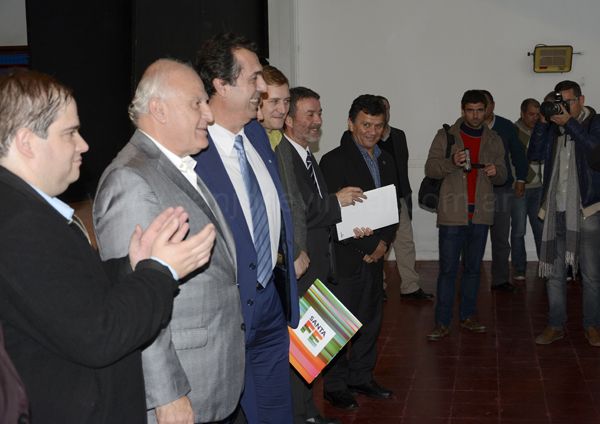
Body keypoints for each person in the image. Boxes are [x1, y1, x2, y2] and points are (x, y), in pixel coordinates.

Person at [0, 69, 215, 423]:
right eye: (70, 133)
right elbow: (99, 335)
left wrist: (131, 265)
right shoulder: (20, 224)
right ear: (27, 142)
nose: (83, 145)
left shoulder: (25, 211)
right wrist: (161, 272)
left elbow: (68, 295)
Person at [93, 59, 245, 424]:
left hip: (210, 375)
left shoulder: (177, 166)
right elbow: (135, 303)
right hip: (182, 389)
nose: (209, 114)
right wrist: (167, 394)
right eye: (197, 103)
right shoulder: (130, 180)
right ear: (158, 110)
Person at [193, 33, 299, 423]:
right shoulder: (194, 151)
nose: (262, 88)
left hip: (270, 301)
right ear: (221, 85)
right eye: (253, 78)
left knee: (275, 411)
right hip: (226, 314)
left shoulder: (255, 134)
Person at [277, 86, 365, 424]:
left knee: (309, 350)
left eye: (320, 113)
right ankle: (300, 415)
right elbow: (298, 211)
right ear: (288, 120)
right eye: (309, 114)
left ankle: (308, 411)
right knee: (299, 349)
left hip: (318, 265)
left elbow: (318, 211)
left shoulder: (306, 156)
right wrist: (335, 201)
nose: (317, 121)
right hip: (302, 266)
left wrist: (351, 224)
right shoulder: (284, 156)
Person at [320, 94, 397, 410]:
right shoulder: (333, 161)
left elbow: (393, 206)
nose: (372, 132)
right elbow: (332, 214)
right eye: (366, 124)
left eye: (378, 126)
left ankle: (361, 377)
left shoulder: (386, 158)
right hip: (346, 256)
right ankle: (335, 386)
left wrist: (384, 244)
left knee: (370, 321)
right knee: (339, 324)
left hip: (376, 256)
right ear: (351, 124)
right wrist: (369, 246)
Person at [425, 89, 506, 341]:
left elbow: (504, 174)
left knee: (473, 269)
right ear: (463, 110)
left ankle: (468, 316)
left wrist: (496, 172)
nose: (475, 115)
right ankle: (442, 322)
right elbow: (431, 168)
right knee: (448, 270)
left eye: (480, 110)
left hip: (481, 213)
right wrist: (452, 162)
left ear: (486, 110)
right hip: (452, 213)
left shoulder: (494, 139)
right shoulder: (446, 135)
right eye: (470, 110)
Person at [528, 80, 600, 347]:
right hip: (555, 208)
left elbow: (596, 154)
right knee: (554, 273)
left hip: (587, 209)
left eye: (568, 102)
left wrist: (570, 123)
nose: (563, 107)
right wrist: (542, 123)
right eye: (560, 103)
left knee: (591, 275)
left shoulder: (595, 123)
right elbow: (534, 154)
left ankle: (592, 325)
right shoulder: (553, 129)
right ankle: (555, 324)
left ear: (581, 100)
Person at [377, 95, 433, 300]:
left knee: (405, 243)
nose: (384, 112)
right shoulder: (363, 135)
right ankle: (378, 286)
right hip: (375, 200)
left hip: (399, 198)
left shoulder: (399, 135)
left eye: (386, 108)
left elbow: (402, 169)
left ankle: (410, 287)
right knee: (379, 245)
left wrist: (406, 197)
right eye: (380, 108)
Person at [258, 65, 309, 280]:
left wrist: (298, 249)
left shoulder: (280, 140)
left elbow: (293, 201)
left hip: (289, 258)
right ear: (257, 101)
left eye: (286, 101)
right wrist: (292, 252)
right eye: (274, 101)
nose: (282, 109)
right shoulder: (247, 143)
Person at [480, 90, 528, 292]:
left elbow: (519, 154)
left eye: (486, 105)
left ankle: (500, 279)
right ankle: (470, 276)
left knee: (501, 237)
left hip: (501, 190)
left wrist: (521, 179)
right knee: (473, 236)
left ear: (492, 105)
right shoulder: (466, 127)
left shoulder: (506, 126)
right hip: (475, 190)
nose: (482, 110)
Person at [511, 98, 544, 278]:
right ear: (522, 113)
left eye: (538, 114)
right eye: (531, 114)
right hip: (519, 187)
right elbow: (510, 160)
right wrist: (518, 180)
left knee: (541, 229)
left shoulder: (542, 130)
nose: (535, 118)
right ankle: (519, 267)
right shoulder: (513, 131)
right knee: (518, 229)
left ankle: (545, 265)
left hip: (539, 187)